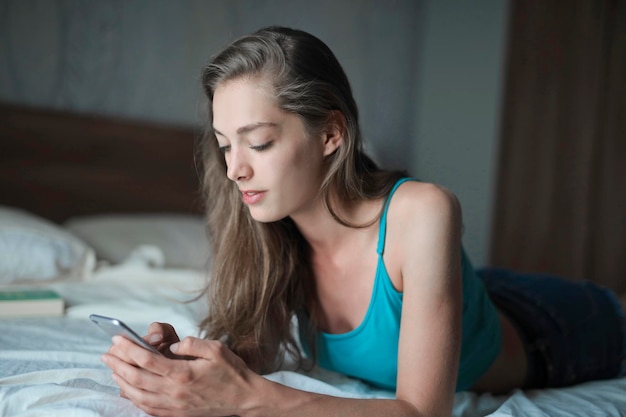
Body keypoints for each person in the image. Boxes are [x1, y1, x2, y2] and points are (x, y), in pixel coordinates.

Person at [101, 26, 626, 417]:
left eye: (258, 142)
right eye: (224, 145)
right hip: (460, 300)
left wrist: (247, 398)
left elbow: (422, 412)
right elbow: (254, 352)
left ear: (331, 134)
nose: (235, 168)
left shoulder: (423, 211)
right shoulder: (268, 224)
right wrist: (185, 365)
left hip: (553, 328)